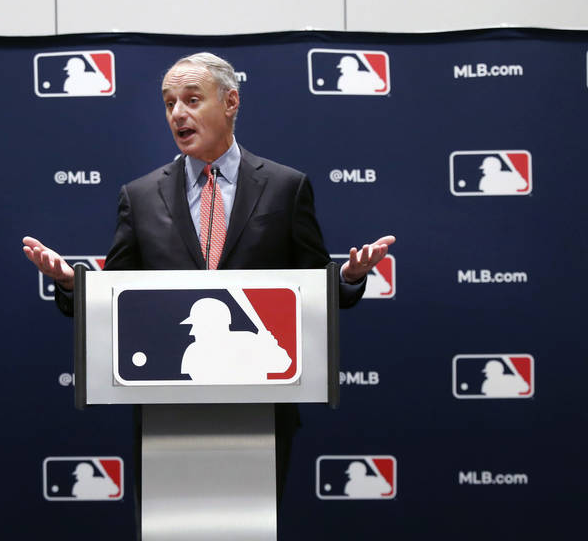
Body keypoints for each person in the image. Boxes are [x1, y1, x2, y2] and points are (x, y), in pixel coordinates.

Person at [22, 51, 395, 493]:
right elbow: (117, 298)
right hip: (167, 407)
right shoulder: (139, 197)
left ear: (231, 103)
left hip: (261, 405)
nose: (177, 113)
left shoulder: (285, 188)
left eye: (192, 99)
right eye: (169, 103)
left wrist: (347, 277)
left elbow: (314, 286)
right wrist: (72, 284)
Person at [178, 297, 291, 383]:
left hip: (257, 406)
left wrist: (270, 347)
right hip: (204, 410)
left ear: (217, 323)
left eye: (198, 325)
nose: (192, 332)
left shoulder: (249, 340)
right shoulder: (194, 351)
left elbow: (283, 365)